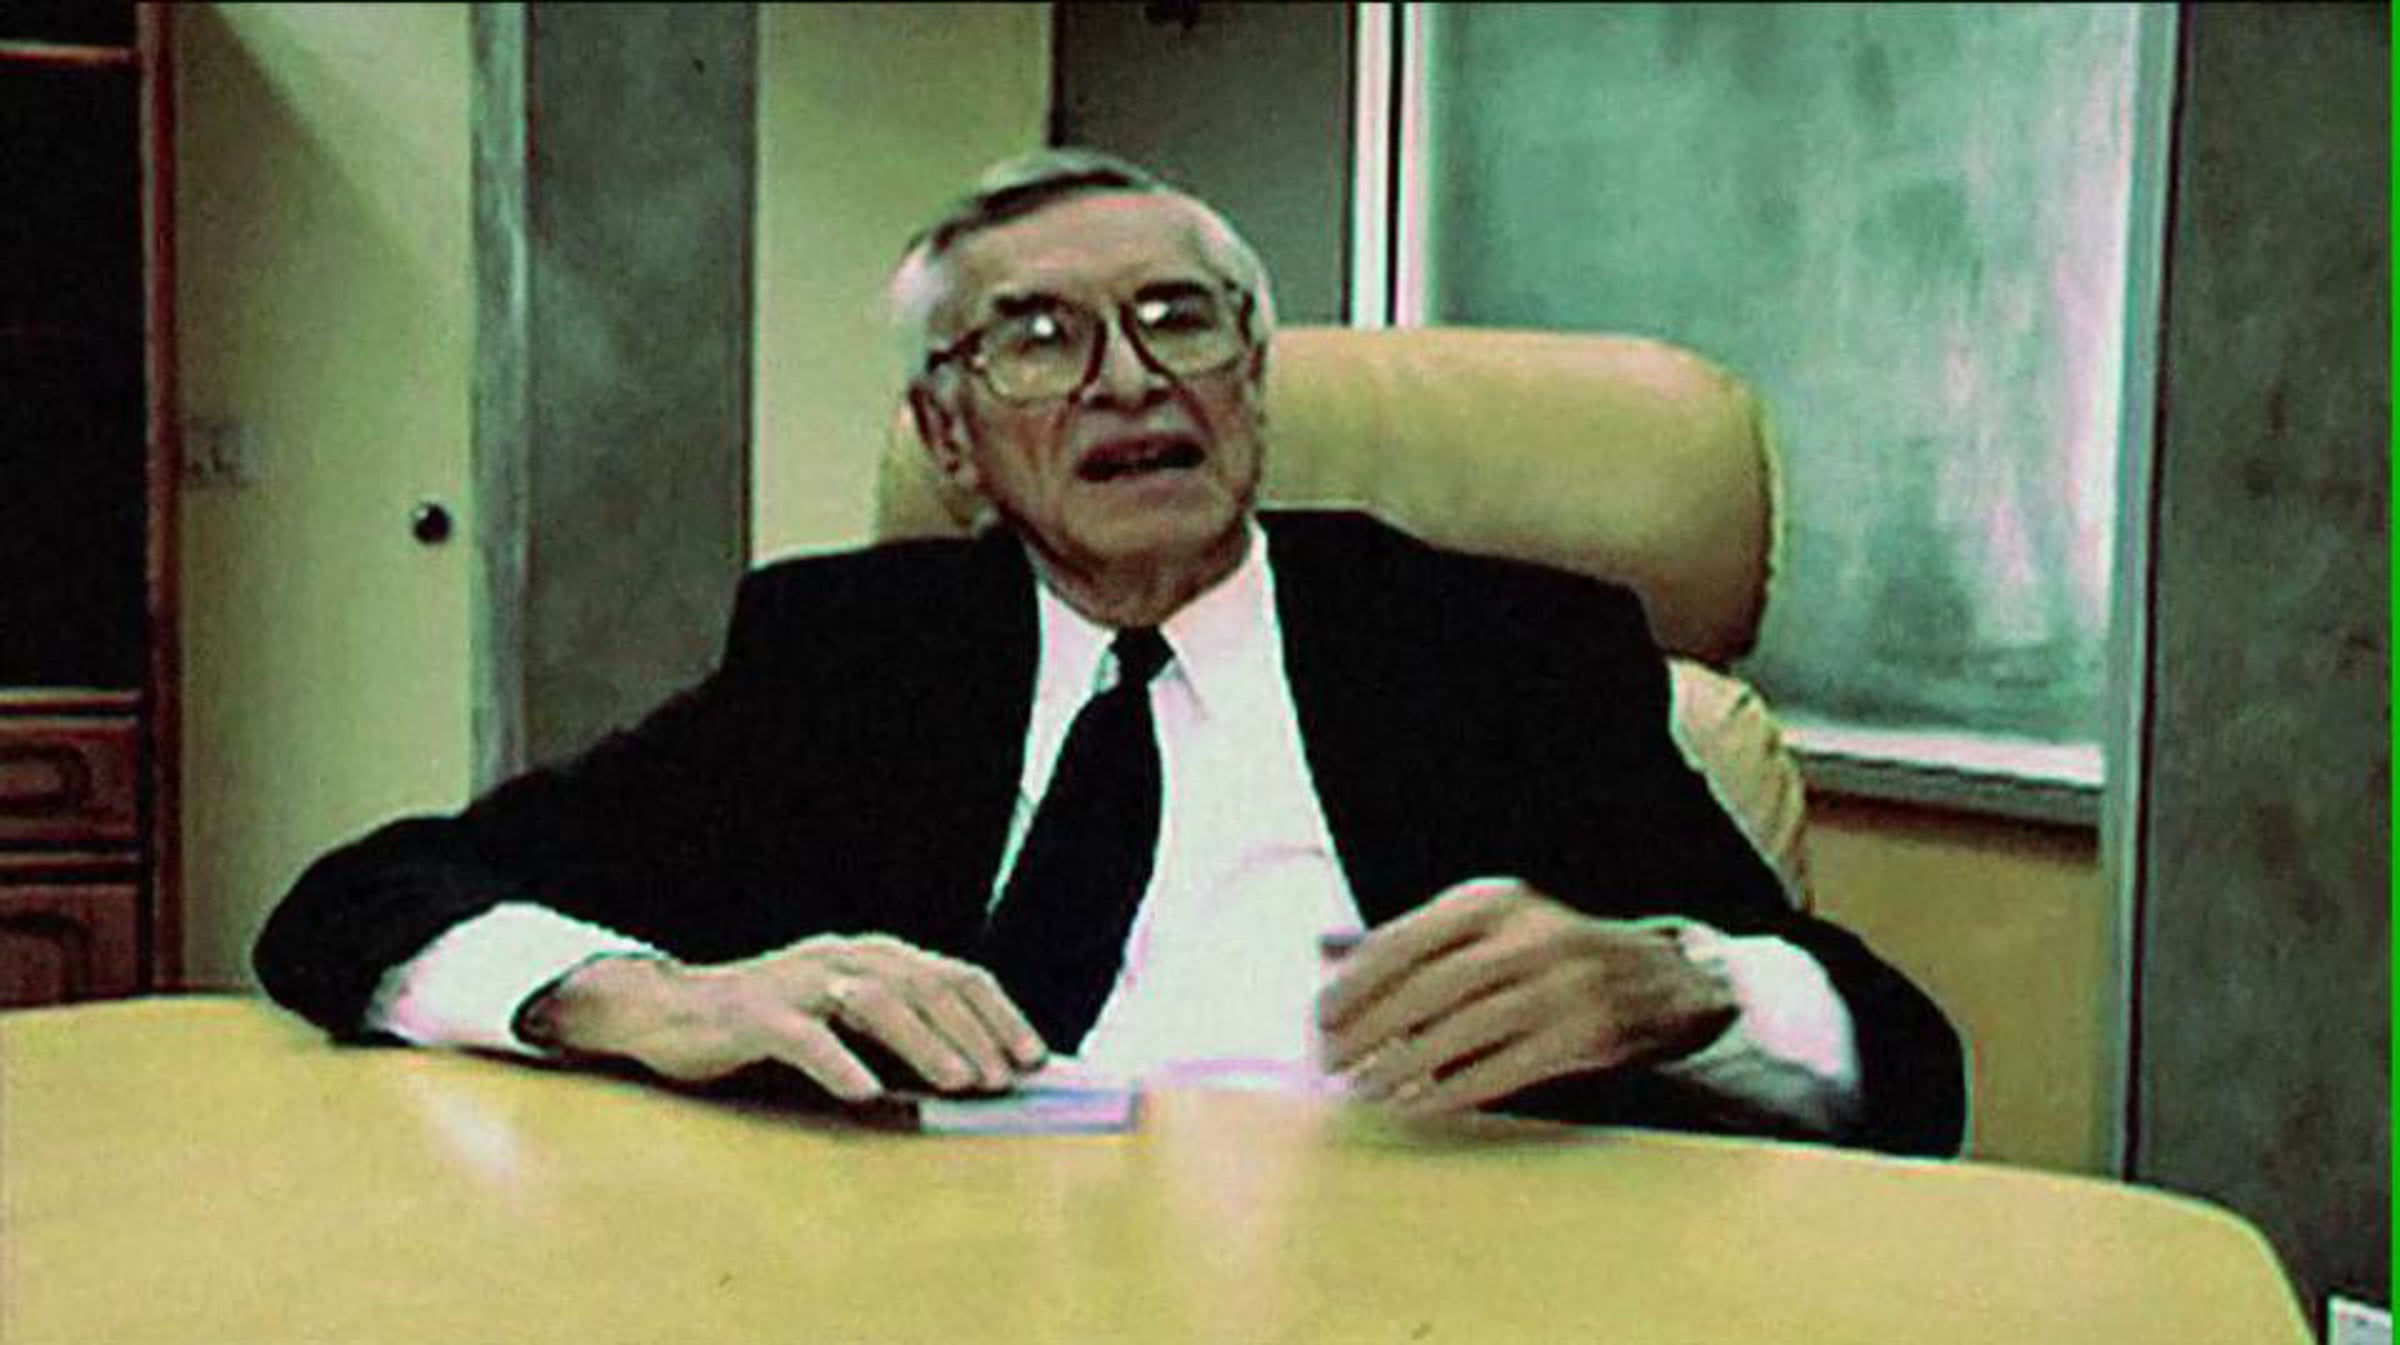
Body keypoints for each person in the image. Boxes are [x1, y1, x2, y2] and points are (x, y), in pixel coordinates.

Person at [255, 150, 1965, 1156]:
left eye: (1179, 320)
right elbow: (358, 899)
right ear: (950, 440)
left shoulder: (1501, 652)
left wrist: (1687, 984)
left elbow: (1912, 1063)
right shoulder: (844, 661)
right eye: (1037, 340)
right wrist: (652, 998)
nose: (1129, 382)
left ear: (1253, 382)